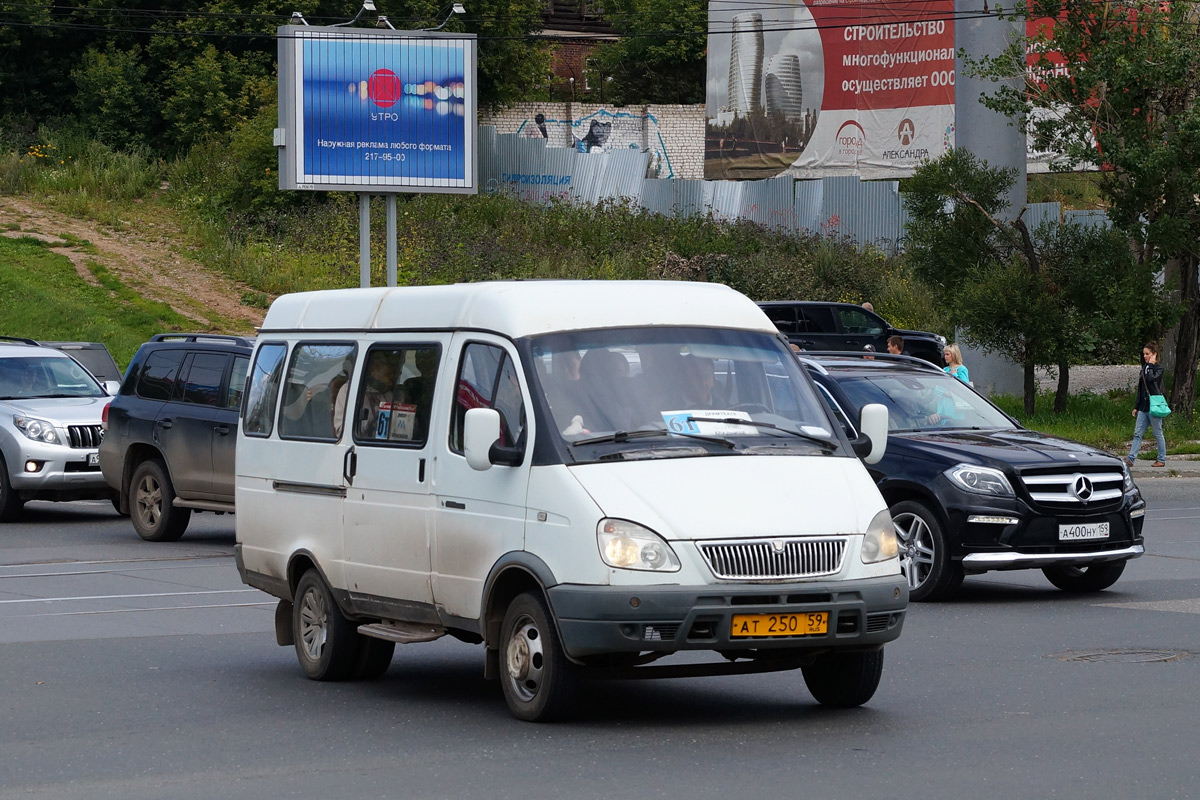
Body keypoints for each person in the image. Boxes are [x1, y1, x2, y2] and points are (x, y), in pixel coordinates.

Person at [1127, 341, 1167, 467]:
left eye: (1147, 354)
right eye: (1144, 354)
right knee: (1137, 433)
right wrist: (1136, 406)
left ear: (1154, 354)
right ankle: (1131, 458)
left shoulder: (1159, 368)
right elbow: (1141, 389)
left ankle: (1161, 459)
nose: (1145, 356)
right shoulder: (1144, 369)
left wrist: (1150, 364)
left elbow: (1151, 380)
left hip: (1154, 407)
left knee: (1157, 433)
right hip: (1144, 407)